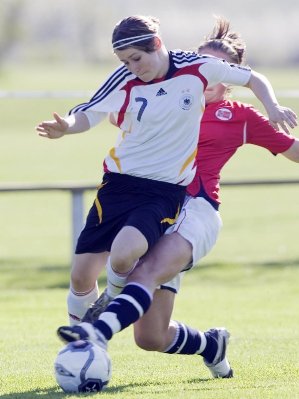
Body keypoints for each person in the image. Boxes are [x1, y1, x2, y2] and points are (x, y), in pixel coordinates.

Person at [38, 15, 297, 378]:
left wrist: (273, 108)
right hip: (138, 195)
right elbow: (105, 111)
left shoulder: (239, 116)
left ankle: (95, 329)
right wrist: (70, 124)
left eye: (222, 69)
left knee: (141, 279)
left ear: (228, 77)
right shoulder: (164, 87)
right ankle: (210, 345)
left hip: (191, 210)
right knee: (150, 337)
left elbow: (293, 148)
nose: (209, 72)